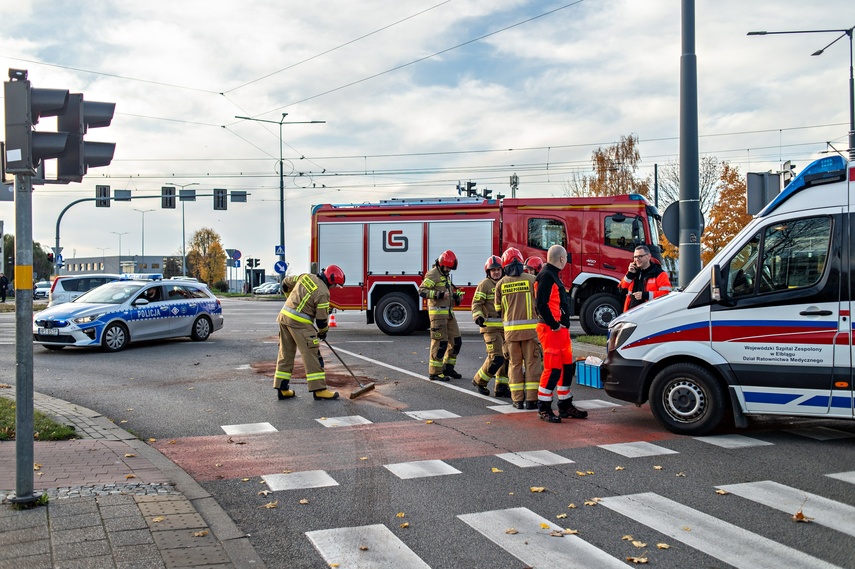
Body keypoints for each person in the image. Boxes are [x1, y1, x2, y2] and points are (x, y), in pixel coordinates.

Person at [274, 265, 345, 400]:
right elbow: (322, 321)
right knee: (312, 355)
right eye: (336, 285)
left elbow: (285, 283)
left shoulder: (305, 276)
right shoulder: (323, 293)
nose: (335, 287)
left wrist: (289, 298)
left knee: (285, 353)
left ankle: (282, 389)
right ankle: (319, 390)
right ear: (331, 280)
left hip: (284, 318)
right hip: (300, 324)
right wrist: (323, 332)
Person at [535, 245, 587, 423]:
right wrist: (554, 324)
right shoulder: (546, 276)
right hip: (551, 330)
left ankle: (564, 405)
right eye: (566, 258)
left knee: (566, 368)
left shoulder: (551, 275)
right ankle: (544, 408)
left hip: (559, 330)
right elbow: (541, 304)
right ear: (562, 259)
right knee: (552, 369)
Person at [494, 247, 542, 409]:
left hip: (510, 334)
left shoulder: (500, 284)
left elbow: (498, 309)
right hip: (531, 333)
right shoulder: (532, 280)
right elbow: (540, 304)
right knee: (532, 364)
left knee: (514, 365)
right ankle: (531, 400)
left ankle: (517, 400)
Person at [419, 250, 464, 381]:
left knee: (456, 342)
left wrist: (455, 296)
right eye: (447, 267)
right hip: (438, 315)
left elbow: (446, 291)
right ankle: (435, 372)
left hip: (449, 314)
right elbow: (422, 291)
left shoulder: (445, 274)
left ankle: (448, 367)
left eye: (450, 268)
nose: (448, 270)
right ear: (441, 264)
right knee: (440, 343)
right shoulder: (433, 274)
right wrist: (438, 295)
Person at [471, 255, 510, 397]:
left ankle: (501, 387)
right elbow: (476, 303)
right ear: (488, 272)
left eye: (498, 269)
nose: (496, 272)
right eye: (493, 270)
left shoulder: (506, 282)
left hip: (506, 328)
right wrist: (478, 316)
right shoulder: (484, 284)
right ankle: (479, 381)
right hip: (490, 327)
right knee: (497, 357)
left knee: (506, 357)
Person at [619, 245, 672, 312]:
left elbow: (666, 294)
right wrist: (629, 274)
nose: (637, 259)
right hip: (631, 313)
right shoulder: (633, 272)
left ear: (649, 256)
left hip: (650, 313)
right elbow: (621, 290)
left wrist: (645, 295)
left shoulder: (659, 274)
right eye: (635, 257)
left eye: (640, 256)